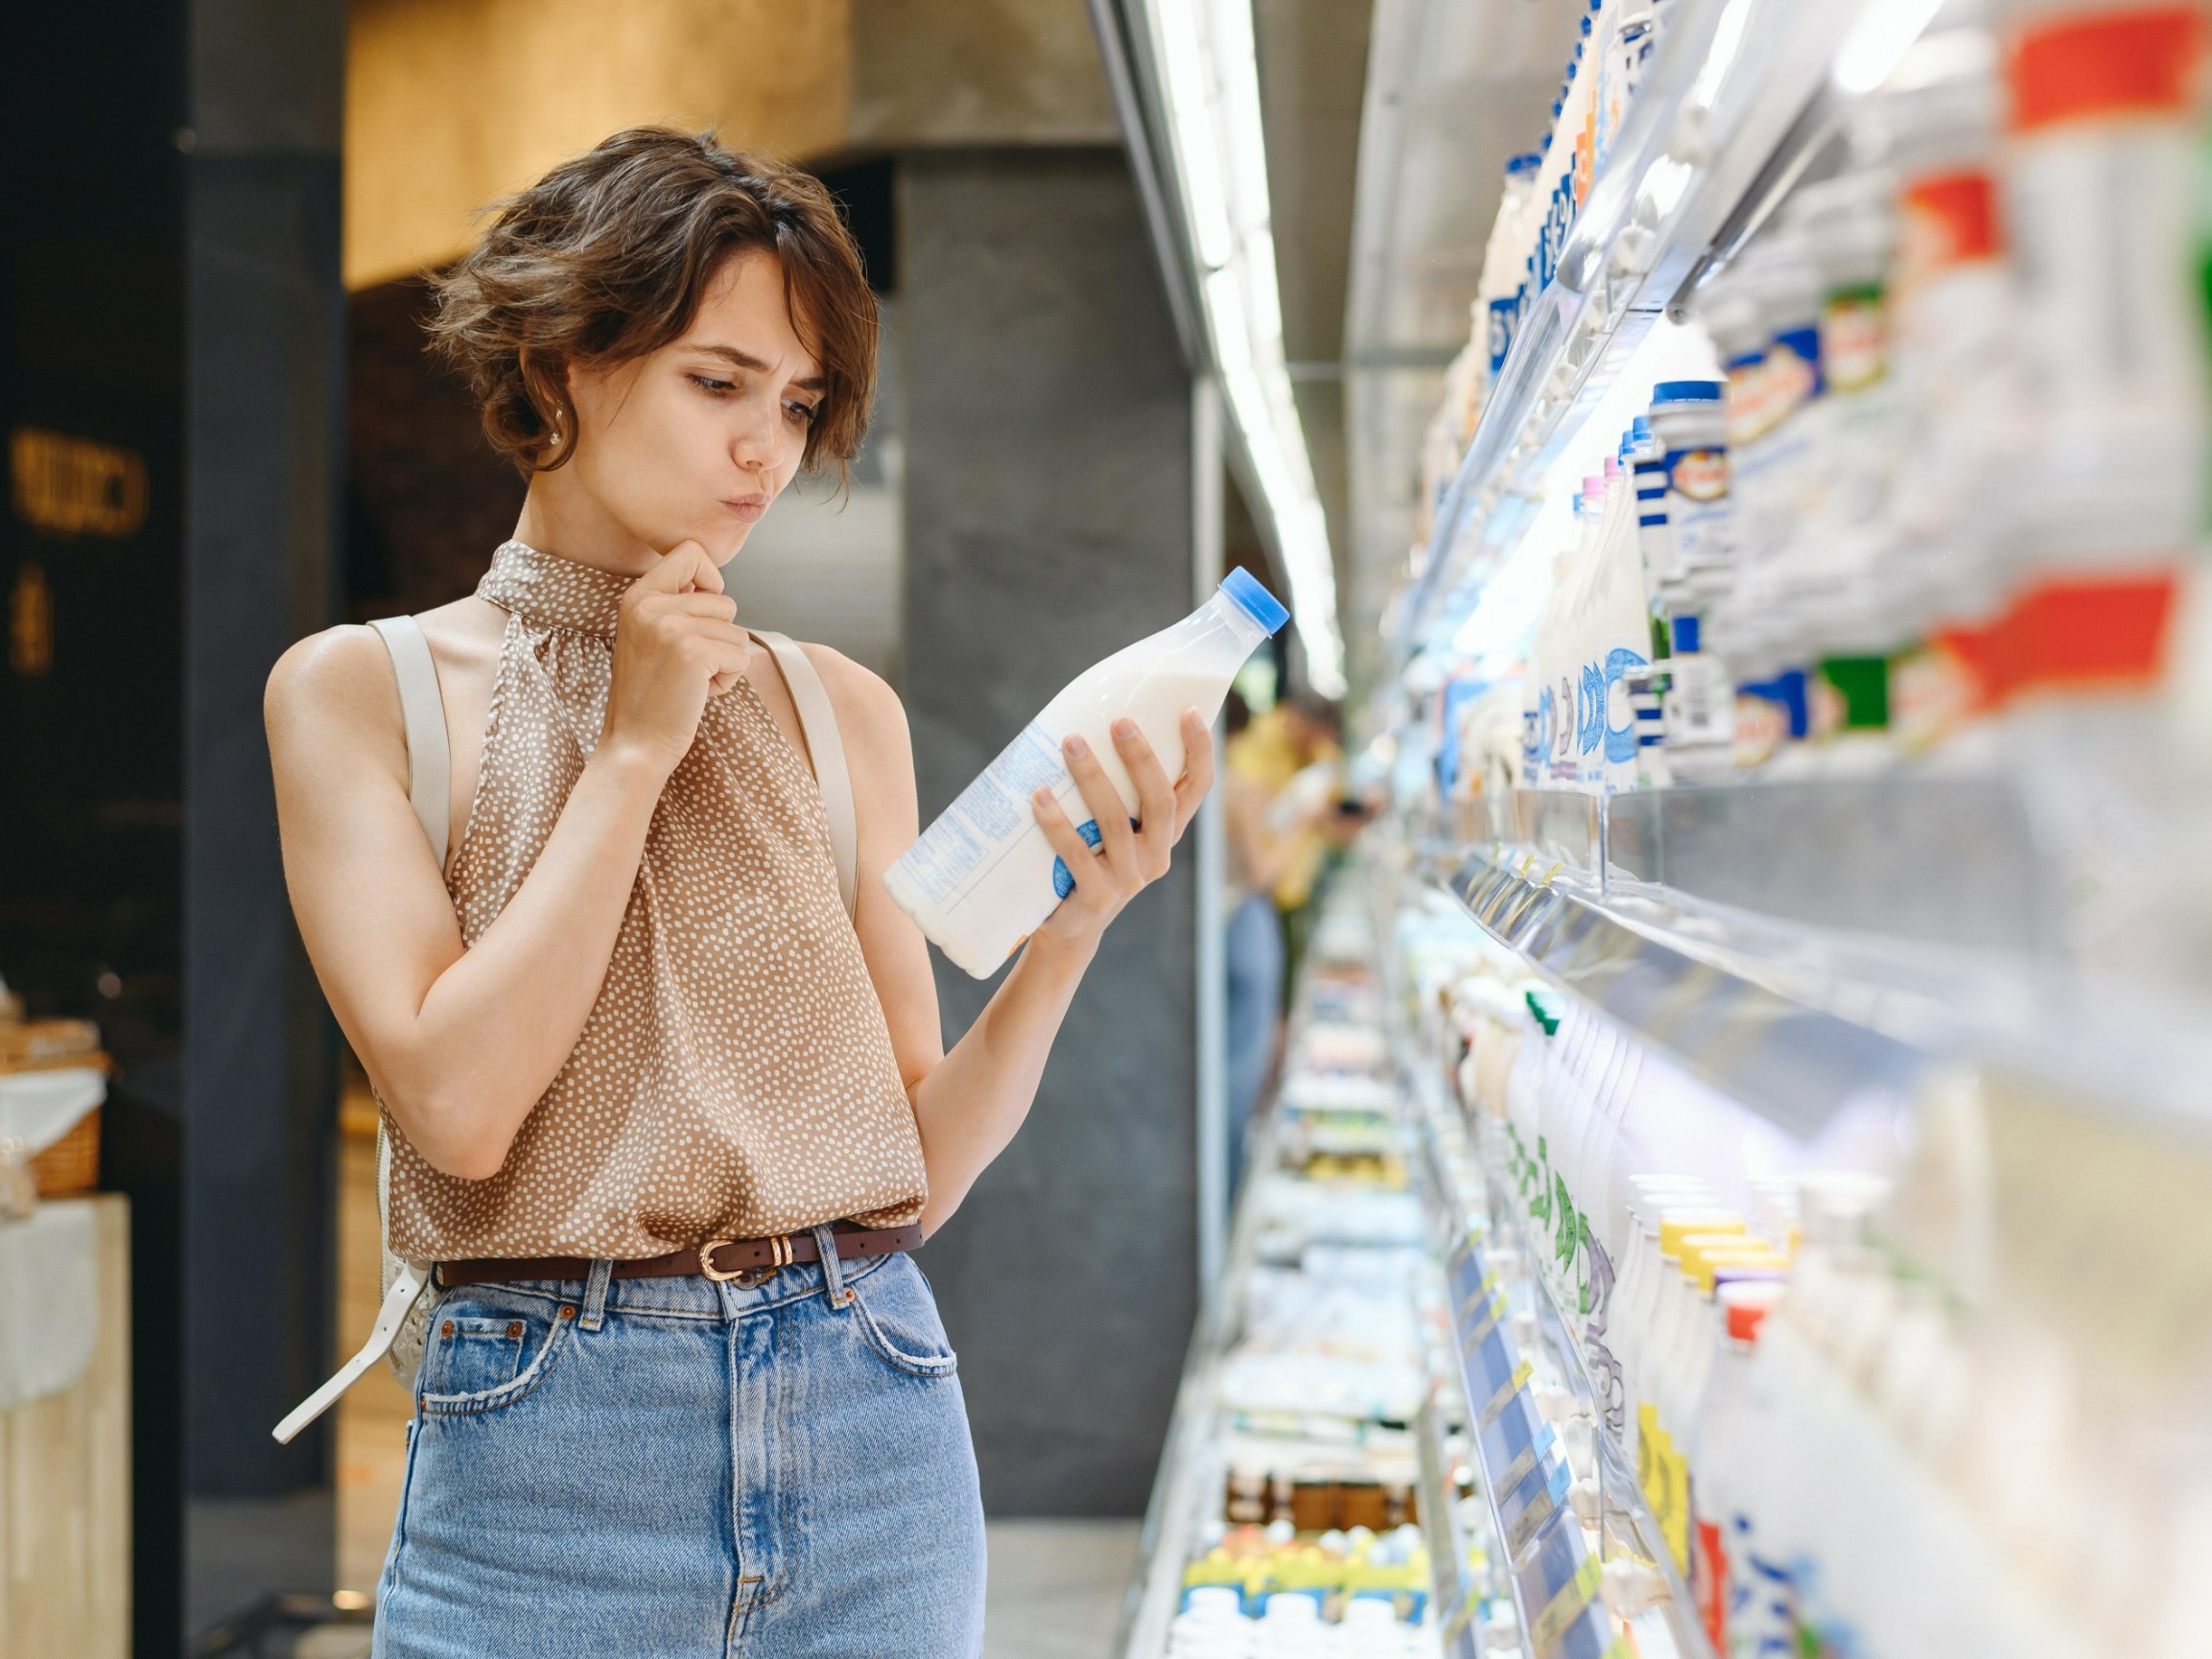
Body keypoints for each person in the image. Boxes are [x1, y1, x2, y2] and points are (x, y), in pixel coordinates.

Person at [262, 129, 1212, 1659]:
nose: (766, 451)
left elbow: (912, 1171)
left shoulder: (842, 711)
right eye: (718, 383)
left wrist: (1071, 931)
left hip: (870, 1415)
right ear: (565, 357)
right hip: (545, 1458)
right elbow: (456, 1107)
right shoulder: (362, 692)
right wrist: (634, 746)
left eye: (797, 402)